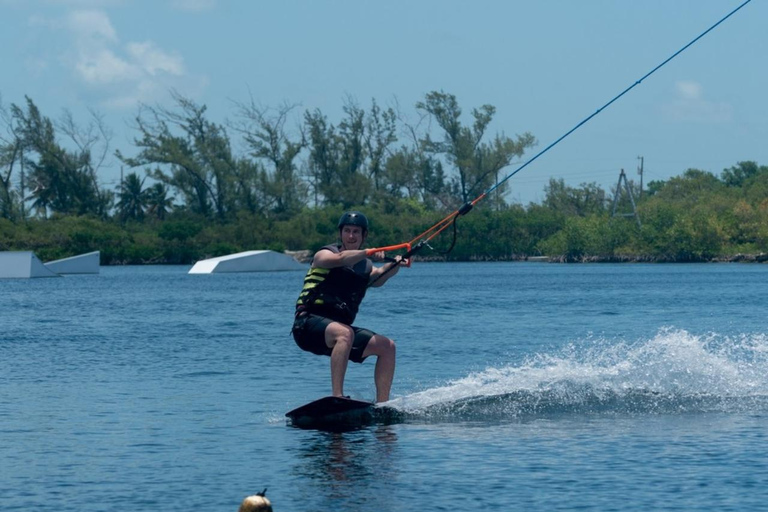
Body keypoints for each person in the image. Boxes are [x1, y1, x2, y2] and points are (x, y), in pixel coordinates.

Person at [292, 211, 406, 403]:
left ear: (364, 236)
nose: (351, 236)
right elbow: (342, 259)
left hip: (338, 331)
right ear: (341, 233)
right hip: (307, 326)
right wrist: (369, 252)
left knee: (388, 347)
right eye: (347, 231)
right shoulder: (325, 254)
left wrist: (395, 264)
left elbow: (377, 278)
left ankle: (383, 404)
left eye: (356, 232)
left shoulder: (365, 266)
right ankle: (337, 396)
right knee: (344, 333)